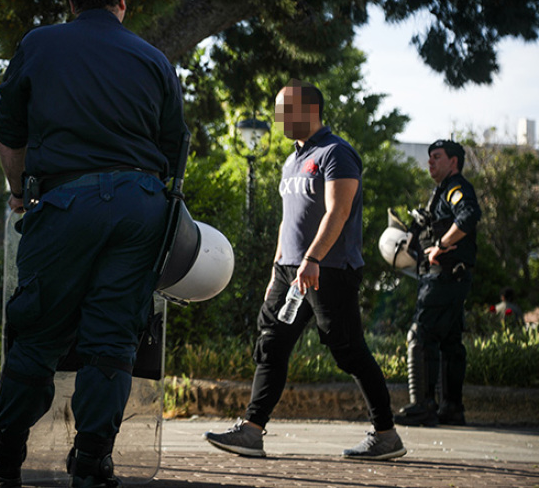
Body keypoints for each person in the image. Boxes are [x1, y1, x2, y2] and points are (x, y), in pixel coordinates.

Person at [0, 0, 188, 488]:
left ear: (69, 0)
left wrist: (20, 194)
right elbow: (175, 148)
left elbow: (10, 132)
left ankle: (5, 450)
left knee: (37, 332)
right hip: (140, 206)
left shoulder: (39, 45)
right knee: (112, 339)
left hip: (64, 204)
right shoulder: (154, 59)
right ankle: (92, 459)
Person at [203, 80, 406, 461]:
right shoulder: (292, 159)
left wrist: (312, 259)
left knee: (349, 352)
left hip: (328, 269)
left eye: (285, 110)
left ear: (310, 110)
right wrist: (276, 269)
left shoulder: (336, 153)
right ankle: (251, 430)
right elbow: (288, 221)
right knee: (271, 345)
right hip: (290, 271)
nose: (278, 118)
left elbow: (338, 211)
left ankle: (386, 435)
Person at [395, 139, 481, 427]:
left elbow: (469, 215)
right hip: (451, 277)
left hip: (443, 276)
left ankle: (422, 406)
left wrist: (441, 244)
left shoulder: (456, 188)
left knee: (420, 336)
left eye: (437, 157)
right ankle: (451, 408)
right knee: (449, 342)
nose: (430, 162)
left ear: (453, 162)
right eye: (429, 157)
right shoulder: (443, 192)